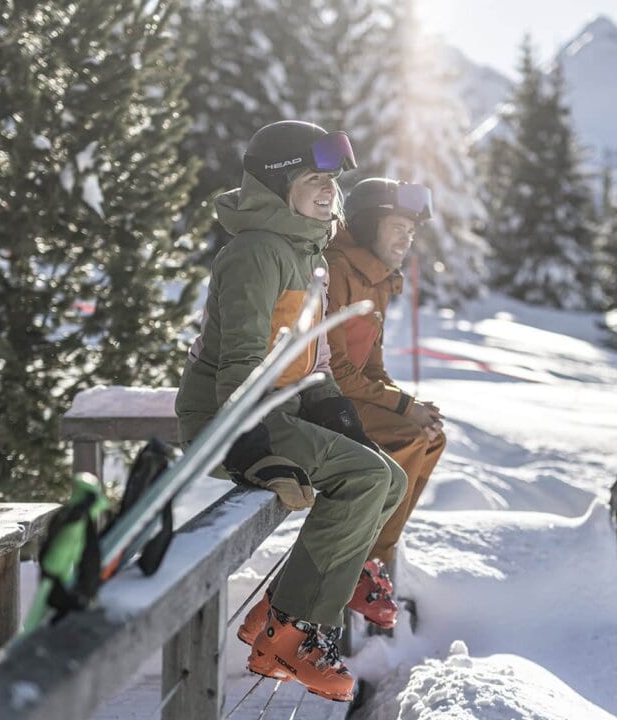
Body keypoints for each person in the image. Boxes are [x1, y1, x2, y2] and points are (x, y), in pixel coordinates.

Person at [173, 121, 405, 702]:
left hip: (281, 402)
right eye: (313, 179)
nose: (329, 190)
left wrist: (339, 417)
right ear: (277, 185)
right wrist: (251, 448)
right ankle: (292, 633)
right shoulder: (256, 252)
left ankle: (281, 610)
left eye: (332, 180)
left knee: (389, 478)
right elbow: (242, 360)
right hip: (232, 414)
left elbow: (315, 357)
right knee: (363, 479)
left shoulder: (305, 254)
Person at [325, 178, 446, 574]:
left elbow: (371, 368)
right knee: (406, 437)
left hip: (347, 395)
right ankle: (368, 563)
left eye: (410, 232)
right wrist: (403, 409)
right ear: (366, 224)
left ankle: (375, 550)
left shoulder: (376, 280)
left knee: (431, 437)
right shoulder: (337, 270)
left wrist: (410, 405)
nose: (406, 239)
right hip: (318, 399)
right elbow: (334, 368)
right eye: (397, 227)